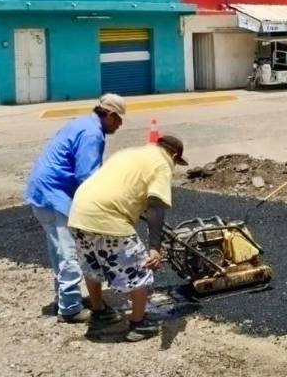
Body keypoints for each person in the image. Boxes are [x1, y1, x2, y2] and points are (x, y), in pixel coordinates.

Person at [67, 135, 188, 342]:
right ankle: (138, 324)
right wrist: (154, 248)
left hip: (79, 211)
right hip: (107, 216)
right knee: (140, 269)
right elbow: (156, 207)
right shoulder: (162, 164)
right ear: (174, 156)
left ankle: (99, 313)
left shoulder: (129, 153)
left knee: (92, 266)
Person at [25, 93, 126, 323]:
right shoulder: (93, 134)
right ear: (109, 115)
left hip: (41, 192)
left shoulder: (80, 123)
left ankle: (64, 298)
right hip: (56, 195)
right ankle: (70, 309)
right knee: (70, 251)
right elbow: (87, 176)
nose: (120, 125)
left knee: (58, 250)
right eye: (119, 120)